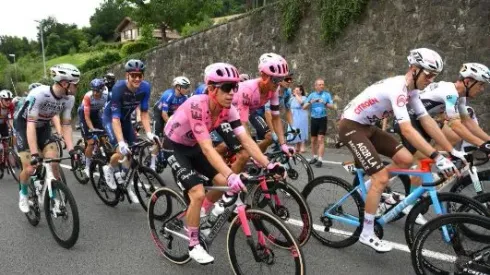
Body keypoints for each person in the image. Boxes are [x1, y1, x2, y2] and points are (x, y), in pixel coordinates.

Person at [338, 48, 463, 252]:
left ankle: (364, 189)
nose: (431, 79)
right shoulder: (398, 88)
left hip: (368, 127)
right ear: (414, 69)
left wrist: (451, 150)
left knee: (405, 159)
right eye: (428, 74)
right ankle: (367, 233)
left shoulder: (412, 91)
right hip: (351, 126)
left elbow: (427, 120)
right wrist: (435, 156)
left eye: (435, 76)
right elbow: (406, 128)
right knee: (381, 178)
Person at [162, 62, 284, 264]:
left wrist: (268, 164)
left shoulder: (229, 109)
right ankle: (193, 245)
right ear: (211, 89)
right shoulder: (197, 105)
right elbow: (208, 149)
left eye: (235, 87)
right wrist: (231, 174)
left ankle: (202, 212)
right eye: (227, 88)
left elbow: (245, 140)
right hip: (174, 145)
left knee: (224, 184)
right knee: (198, 192)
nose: (232, 93)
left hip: (192, 145)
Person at [15, 64, 80, 213]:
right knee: (31, 167)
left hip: (43, 126)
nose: (77, 86)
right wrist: (35, 154)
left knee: (54, 160)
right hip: (24, 126)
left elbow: (66, 125)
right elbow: (30, 126)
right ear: (65, 83)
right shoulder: (39, 94)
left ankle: (55, 195)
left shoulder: (69, 99)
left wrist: (72, 150)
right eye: (75, 83)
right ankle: (23, 194)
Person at [101, 59, 156, 203]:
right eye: (133, 75)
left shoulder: (145, 88)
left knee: (132, 155)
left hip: (125, 121)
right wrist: (120, 141)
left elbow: (144, 113)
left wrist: (149, 132)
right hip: (111, 118)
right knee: (121, 151)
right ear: (127, 75)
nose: (137, 78)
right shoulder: (118, 89)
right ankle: (109, 168)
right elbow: (115, 119)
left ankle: (126, 184)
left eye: (140, 75)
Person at [232, 53, 295, 157]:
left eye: (281, 79)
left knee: (269, 138)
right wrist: (256, 154)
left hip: (246, 114)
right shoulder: (248, 90)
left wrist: (283, 144)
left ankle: (255, 157)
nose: (278, 83)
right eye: (275, 79)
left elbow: (276, 118)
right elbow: (243, 123)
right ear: (264, 75)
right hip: (226, 115)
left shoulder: (274, 90)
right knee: (239, 153)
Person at [150, 76, 190, 170]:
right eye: (185, 86)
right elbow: (164, 114)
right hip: (160, 113)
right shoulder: (168, 95)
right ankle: (152, 165)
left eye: (188, 86)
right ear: (178, 87)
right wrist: (172, 126)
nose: (187, 89)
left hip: (171, 113)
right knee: (158, 139)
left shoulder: (185, 98)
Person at [78, 78, 109, 176]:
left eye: (98, 91)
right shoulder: (88, 96)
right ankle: (87, 166)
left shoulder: (106, 95)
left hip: (95, 113)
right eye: (93, 90)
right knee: (91, 142)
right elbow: (87, 117)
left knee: (103, 138)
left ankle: (95, 152)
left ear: (102, 89)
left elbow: (108, 112)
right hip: (84, 114)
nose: (95, 93)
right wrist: (92, 129)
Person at [302, 78, 335, 167]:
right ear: (315, 86)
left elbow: (332, 106)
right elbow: (304, 107)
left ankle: (320, 160)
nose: (322, 86)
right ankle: (314, 157)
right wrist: (310, 102)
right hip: (314, 119)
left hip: (322, 119)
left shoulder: (327, 95)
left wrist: (324, 102)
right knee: (313, 140)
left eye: (323, 84)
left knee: (320, 139)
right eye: (320, 85)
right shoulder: (312, 95)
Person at [289, 84, 309, 153]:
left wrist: (296, 95)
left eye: (297, 90)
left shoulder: (304, 97)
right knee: (295, 129)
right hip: (293, 114)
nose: (296, 91)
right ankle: (297, 146)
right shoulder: (292, 98)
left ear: (301, 91)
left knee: (301, 129)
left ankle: (302, 146)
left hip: (301, 114)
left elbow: (301, 103)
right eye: (295, 90)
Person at [0, 90, 14, 162]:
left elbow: (10, 119)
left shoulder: (11, 105)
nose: (9, 101)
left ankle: (6, 161)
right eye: (6, 99)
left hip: (3, 124)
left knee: (6, 144)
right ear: (1, 99)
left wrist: (14, 129)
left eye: (10, 99)